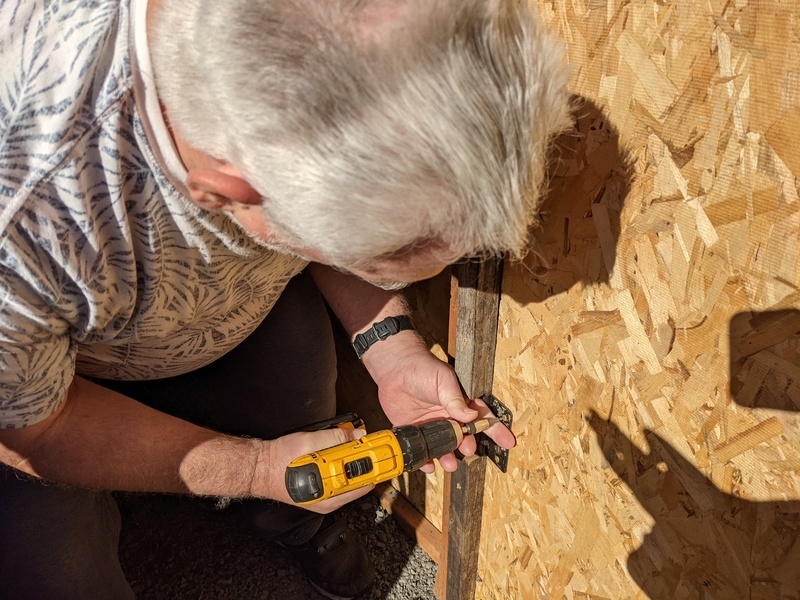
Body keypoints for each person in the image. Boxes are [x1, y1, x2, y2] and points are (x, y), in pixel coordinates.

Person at [0, 0, 571, 598]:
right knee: (52, 565)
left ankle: (295, 520)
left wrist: (390, 348)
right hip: (34, 407)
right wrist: (259, 469)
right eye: (358, 260)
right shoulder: (28, 218)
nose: (376, 277)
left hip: (198, 312)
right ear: (223, 195)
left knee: (299, 366)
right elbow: (37, 431)